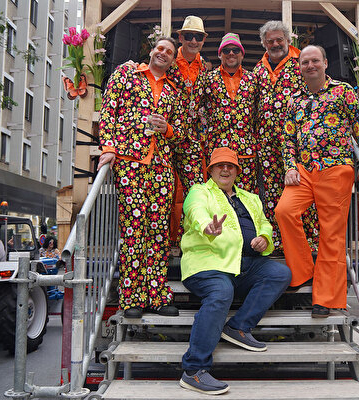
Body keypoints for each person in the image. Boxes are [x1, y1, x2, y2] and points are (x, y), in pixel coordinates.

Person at [179, 147, 291, 395]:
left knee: (279, 273)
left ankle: (238, 327)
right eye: (220, 165)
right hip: (207, 263)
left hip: (244, 263)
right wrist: (207, 227)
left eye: (231, 166)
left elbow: (264, 223)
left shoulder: (251, 198)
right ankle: (194, 370)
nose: (225, 169)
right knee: (221, 292)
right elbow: (195, 211)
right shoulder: (199, 191)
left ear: (237, 171)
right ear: (210, 170)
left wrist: (263, 237)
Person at [274, 45, 359, 317]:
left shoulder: (343, 92)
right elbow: (287, 138)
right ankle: (303, 271)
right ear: (300, 67)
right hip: (304, 171)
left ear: (325, 63)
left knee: (331, 234)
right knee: (284, 211)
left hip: (335, 169)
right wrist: (289, 167)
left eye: (314, 61)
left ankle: (327, 300)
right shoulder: (294, 99)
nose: (310, 66)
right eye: (304, 62)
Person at [98, 36, 185, 318]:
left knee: (159, 232)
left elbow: (181, 132)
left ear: (173, 59)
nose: (163, 53)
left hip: (160, 165)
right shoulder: (126, 73)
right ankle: (132, 298)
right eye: (160, 48)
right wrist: (109, 148)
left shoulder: (173, 90)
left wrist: (167, 129)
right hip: (130, 161)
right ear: (151, 50)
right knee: (135, 230)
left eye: (169, 52)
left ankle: (158, 296)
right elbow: (109, 112)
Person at [253, 20, 319, 252]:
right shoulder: (258, 69)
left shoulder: (301, 62)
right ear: (264, 43)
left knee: (300, 189)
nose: (275, 44)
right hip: (266, 142)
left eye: (279, 39)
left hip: (296, 140)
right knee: (272, 192)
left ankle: (309, 241)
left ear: (287, 40)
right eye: (270, 41)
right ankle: (278, 240)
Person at [191, 33, 259, 192]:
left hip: (246, 150)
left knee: (245, 197)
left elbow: (259, 113)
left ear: (242, 54)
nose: (231, 53)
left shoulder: (254, 79)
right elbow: (194, 110)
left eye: (235, 50)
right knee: (218, 196)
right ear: (219, 54)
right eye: (226, 50)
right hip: (217, 150)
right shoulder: (207, 78)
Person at [168, 16, 208, 244]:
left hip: (192, 139)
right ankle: (166, 240)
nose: (193, 40)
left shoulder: (206, 67)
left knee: (194, 191)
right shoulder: (169, 61)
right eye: (189, 36)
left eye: (198, 37)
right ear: (180, 37)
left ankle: (190, 239)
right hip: (167, 136)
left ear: (203, 41)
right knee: (166, 191)